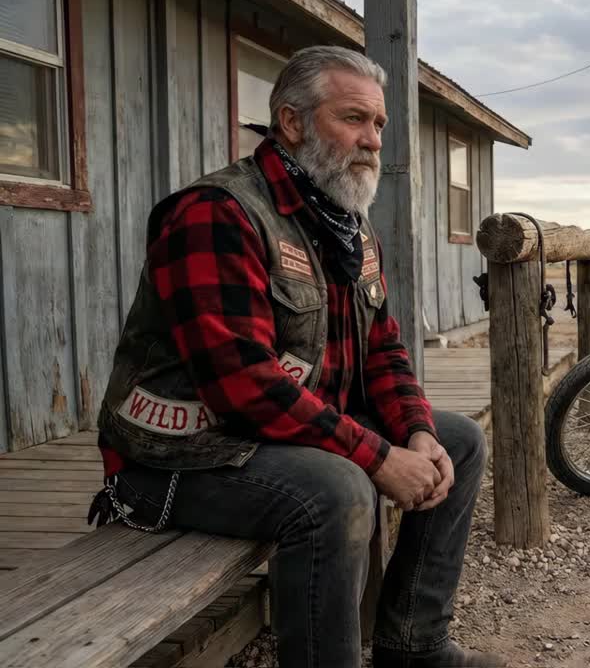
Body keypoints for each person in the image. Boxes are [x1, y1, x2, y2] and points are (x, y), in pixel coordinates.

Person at [89, 46, 504, 668]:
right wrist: (377, 456)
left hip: (271, 436)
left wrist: (415, 434)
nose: (372, 141)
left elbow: (382, 349)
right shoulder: (217, 214)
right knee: (335, 490)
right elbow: (242, 385)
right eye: (353, 119)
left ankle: (413, 647)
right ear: (291, 122)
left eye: (379, 125)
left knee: (458, 441)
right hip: (176, 458)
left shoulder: (346, 222)